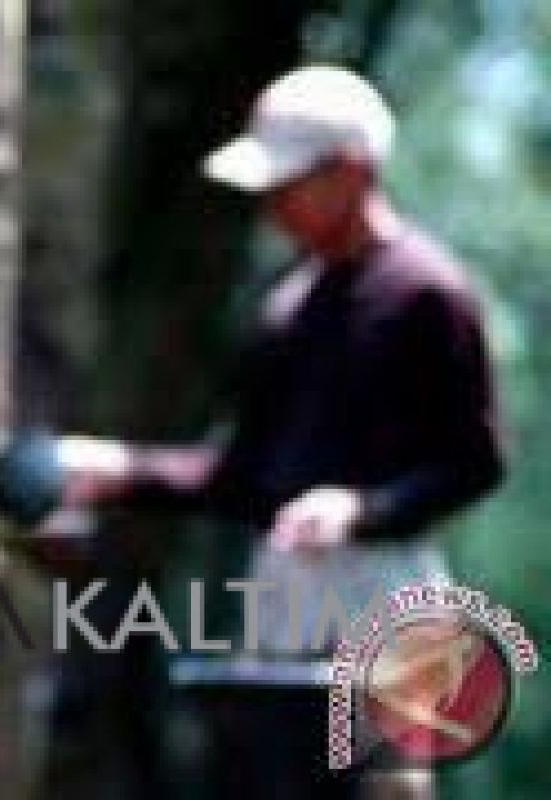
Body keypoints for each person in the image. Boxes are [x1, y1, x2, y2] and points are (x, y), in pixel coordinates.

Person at [56, 65, 505, 797]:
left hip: (385, 595)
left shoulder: (430, 295)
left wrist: (362, 509)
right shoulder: (288, 309)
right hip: (285, 595)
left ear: (353, 172)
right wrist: (121, 471)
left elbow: (474, 462)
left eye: (289, 181)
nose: (272, 203)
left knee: (378, 788)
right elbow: (244, 478)